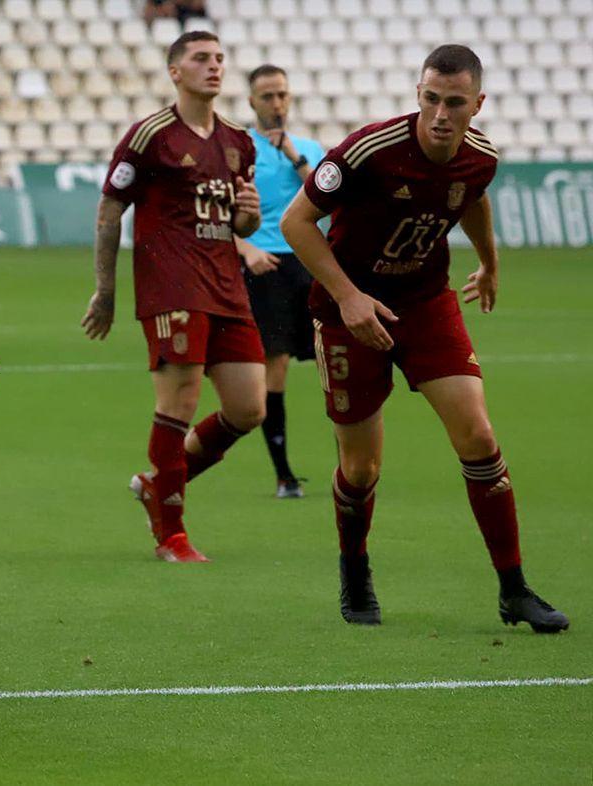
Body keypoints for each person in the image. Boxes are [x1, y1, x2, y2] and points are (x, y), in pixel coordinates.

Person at [280, 44, 568, 632]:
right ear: (418, 94)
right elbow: (295, 223)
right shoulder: (368, 151)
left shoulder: (480, 157)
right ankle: (355, 571)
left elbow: (471, 200)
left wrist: (489, 263)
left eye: (455, 103)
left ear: (477, 104)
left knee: (479, 435)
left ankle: (513, 588)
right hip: (347, 312)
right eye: (431, 99)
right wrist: (348, 297)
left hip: (425, 301)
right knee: (360, 469)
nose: (440, 113)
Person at [82, 31, 265, 563]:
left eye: (220, 59)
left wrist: (249, 214)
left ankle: (154, 484)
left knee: (248, 408)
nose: (214, 67)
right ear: (175, 71)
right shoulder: (152, 136)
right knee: (179, 401)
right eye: (201, 59)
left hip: (226, 285)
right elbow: (110, 209)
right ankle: (172, 534)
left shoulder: (237, 141)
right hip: (172, 285)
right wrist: (107, 289)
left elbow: (242, 223)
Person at [237, 64, 325, 498]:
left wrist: (295, 155)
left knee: (337, 359)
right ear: (251, 101)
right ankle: (284, 474)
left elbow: (329, 200)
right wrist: (245, 248)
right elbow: (219, 211)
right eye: (266, 96)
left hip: (310, 263)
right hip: (265, 266)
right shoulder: (238, 148)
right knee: (276, 367)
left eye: (281, 95)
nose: (275, 103)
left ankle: (355, 466)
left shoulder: (308, 148)